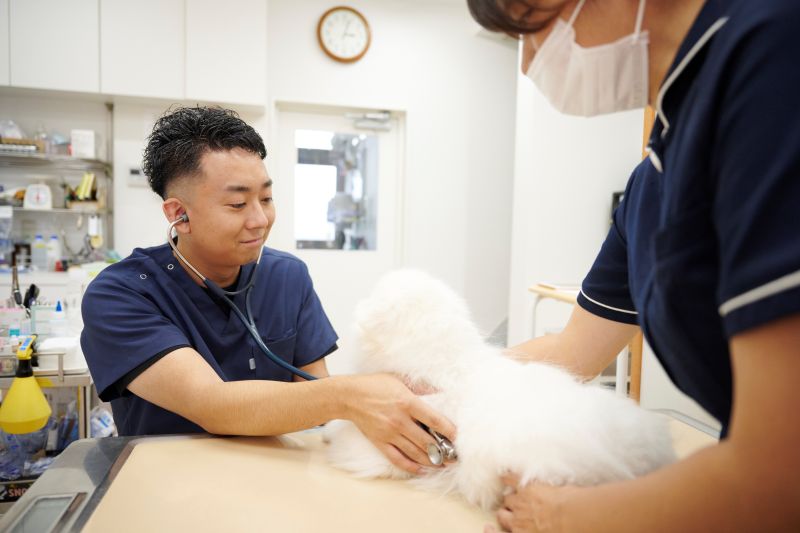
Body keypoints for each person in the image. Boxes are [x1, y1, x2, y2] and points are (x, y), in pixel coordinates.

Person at [467, 0, 800, 531]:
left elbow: (778, 468)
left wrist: (562, 516)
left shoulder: (771, 56)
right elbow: (571, 353)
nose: (529, 64)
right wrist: (454, 382)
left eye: (534, 27)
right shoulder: (653, 178)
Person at [80, 106, 454, 475]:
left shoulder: (287, 276)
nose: (260, 219)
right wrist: (351, 395)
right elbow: (213, 405)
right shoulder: (120, 295)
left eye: (267, 198)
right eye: (238, 204)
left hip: (277, 478)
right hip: (171, 485)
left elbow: (314, 396)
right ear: (179, 214)